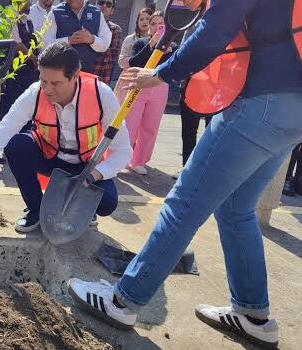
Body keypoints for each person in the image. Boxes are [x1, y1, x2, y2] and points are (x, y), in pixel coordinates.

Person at [67, 0, 302, 348]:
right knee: (236, 208)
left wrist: (160, 73)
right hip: (293, 109)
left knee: (182, 205)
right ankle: (254, 317)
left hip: (258, 103)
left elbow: (215, 29)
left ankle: (123, 301)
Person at [0, 42, 132, 232]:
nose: (47, 89)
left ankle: (83, 208)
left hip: (86, 166)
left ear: (75, 76)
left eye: (55, 83)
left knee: (107, 203)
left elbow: (123, 151)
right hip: (50, 158)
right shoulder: (34, 93)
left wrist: (91, 176)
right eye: (44, 80)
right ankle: (36, 209)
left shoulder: (100, 94)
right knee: (16, 146)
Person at [124, 11, 173, 175]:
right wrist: (152, 44)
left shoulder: (173, 46)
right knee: (130, 124)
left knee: (150, 126)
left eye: (161, 25)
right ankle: (122, 157)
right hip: (139, 84)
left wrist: (168, 51)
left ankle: (139, 161)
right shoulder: (141, 43)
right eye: (153, 24)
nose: (157, 28)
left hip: (159, 88)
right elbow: (134, 62)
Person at [175, 22, 213, 179]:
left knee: (212, 132)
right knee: (188, 131)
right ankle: (187, 169)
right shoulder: (195, 25)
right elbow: (183, 51)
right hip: (192, 85)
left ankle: (208, 172)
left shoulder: (230, 24)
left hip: (217, 89)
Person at [42, 0, 112, 74]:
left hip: (87, 73)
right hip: (61, 73)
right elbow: (44, 44)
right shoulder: (55, 12)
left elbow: (105, 43)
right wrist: (68, 41)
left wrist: (92, 39)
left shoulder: (96, 13)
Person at [0, 0, 40, 121]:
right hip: (14, 74)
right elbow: (17, 45)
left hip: (29, 75)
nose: (29, 4)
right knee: (12, 110)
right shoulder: (10, 19)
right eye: (27, 2)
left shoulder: (28, 21)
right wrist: (33, 58)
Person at [113, 7, 152, 103]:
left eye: (148, 19)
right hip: (129, 79)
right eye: (141, 19)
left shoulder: (159, 40)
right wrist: (135, 60)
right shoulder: (130, 39)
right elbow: (121, 61)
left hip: (150, 81)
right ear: (137, 22)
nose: (144, 22)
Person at [93, 0, 122, 84]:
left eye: (108, 4)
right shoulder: (84, 25)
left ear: (112, 10)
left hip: (101, 78)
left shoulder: (115, 29)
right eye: (101, 2)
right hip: (80, 74)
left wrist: (91, 42)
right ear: (95, 5)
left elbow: (113, 54)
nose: (104, 6)